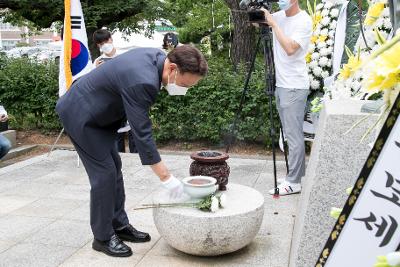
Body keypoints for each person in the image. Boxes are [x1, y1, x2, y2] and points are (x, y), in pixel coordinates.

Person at [56, 45, 208, 257]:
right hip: (81, 116)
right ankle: (102, 237)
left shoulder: (156, 57)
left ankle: (119, 225)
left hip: (100, 115)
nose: (184, 89)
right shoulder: (143, 81)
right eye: (185, 84)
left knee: (114, 168)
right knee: (104, 174)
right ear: (172, 68)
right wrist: (167, 178)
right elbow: (142, 134)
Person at [260, 0, 312, 195]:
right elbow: (257, 23)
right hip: (281, 84)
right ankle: (294, 176)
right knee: (288, 135)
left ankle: (295, 182)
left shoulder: (304, 21)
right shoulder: (279, 17)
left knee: (294, 135)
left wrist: (273, 24)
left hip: (294, 86)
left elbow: (290, 49)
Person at [93, 29, 137, 153]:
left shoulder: (125, 56)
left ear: (111, 39)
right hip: (111, 102)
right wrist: (97, 71)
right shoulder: (97, 62)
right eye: (101, 43)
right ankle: (119, 158)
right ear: (98, 45)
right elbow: (95, 85)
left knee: (134, 131)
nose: (105, 45)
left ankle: (136, 157)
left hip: (128, 99)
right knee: (116, 133)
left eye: (106, 41)